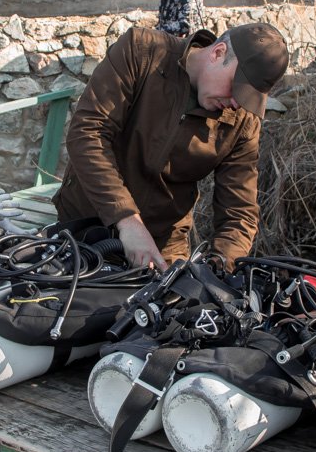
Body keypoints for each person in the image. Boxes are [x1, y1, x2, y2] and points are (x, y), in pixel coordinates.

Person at [53, 23, 288, 271]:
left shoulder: (243, 121)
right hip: (84, 227)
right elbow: (88, 134)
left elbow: (239, 211)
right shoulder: (141, 51)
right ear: (218, 53)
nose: (235, 102)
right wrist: (126, 219)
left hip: (162, 250)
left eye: (247, 97)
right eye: (236, 87)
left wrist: (218, 267)